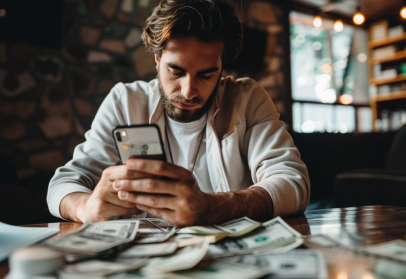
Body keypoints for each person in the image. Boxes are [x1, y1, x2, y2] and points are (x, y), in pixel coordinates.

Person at [47, 0, 310, 228]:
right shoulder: (124, 101)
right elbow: (61, 186)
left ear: (221, 66)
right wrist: (85, 207)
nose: (189, 91)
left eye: (207, 74)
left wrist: (212, 208)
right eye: (176, 71)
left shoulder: (248, 99)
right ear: (157, 60)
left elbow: (293, 184)